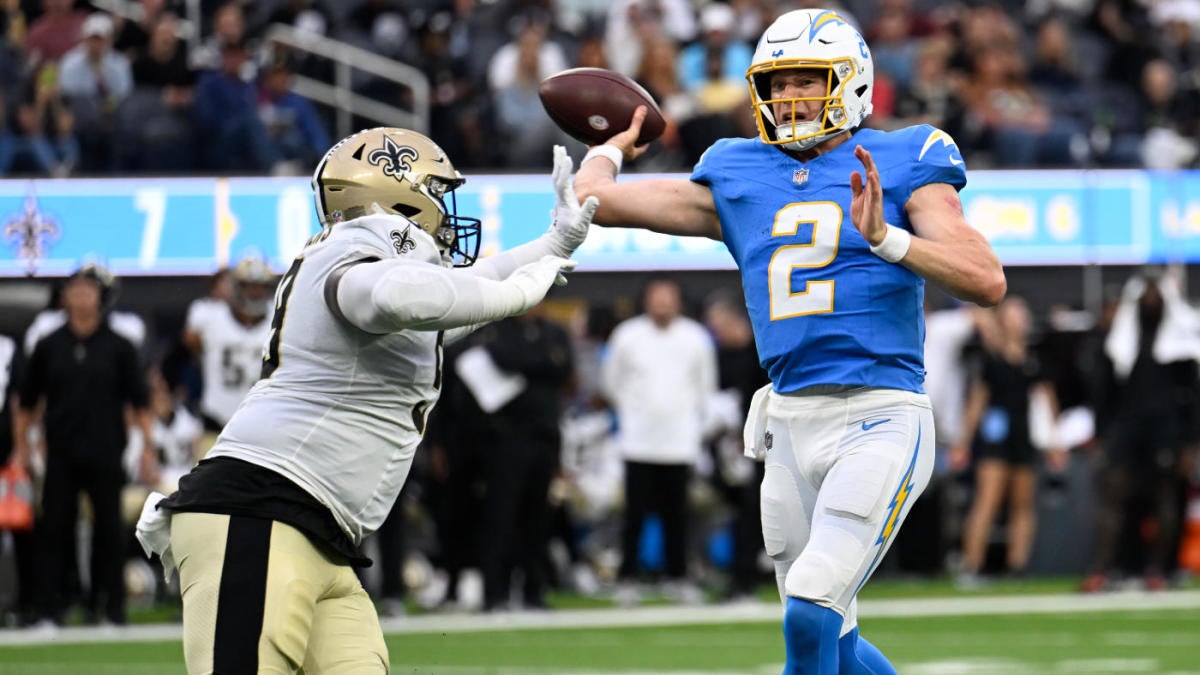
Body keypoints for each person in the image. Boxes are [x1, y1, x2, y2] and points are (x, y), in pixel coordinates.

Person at [572, 9, 1005, 673]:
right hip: (789, 422)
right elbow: (595, 196)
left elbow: (985, 278)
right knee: (834, 639)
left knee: (809, 604)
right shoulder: (736, 171)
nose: (790, 97)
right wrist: (610, 143)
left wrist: (889, 238)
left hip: (881, 413)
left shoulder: (903, 155)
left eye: (808, 80)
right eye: (778, 84)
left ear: (852, 82)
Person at [134, 128, 596, 673]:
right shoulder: (357, 247)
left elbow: (464, 286)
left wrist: (556, 242)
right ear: (399, 194)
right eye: (437, 194)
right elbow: (392, 295)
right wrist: (521, 292)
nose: (447, 215)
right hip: (259, 510)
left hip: (320, 533)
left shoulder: (367, 258)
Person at [15, 263, 157, 627]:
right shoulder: (49, 345)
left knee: (108, 531)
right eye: (75, 291)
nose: (81, 298)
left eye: (88, 291)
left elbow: (140, 403)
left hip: (107, 449)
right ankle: (50, 610)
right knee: (54, 530)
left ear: (100, 297)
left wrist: (146, 449)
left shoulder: (119, 346)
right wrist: (24, 447)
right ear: (65, 298)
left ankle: (110, 609)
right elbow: (27, 402)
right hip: (60, 451)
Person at [603, 278, 717, 605]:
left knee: (677, 515)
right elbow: (612, 383)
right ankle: (627, 579)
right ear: (647, 301)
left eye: (669, 299)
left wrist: (691, 422)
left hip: (679, 442)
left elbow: (705, 387)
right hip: (637, 440)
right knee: (634, 515)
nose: (663, 305)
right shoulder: (627, 335)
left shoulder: (695, 337)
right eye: (657, 299)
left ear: (677, 301)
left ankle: (678, 577)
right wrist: (634, 411)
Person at [950, 296, 1066, 587]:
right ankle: (972, 565)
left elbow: (1046, 400)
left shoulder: (1034, 359)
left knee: (1023, 504)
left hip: (1023, 436)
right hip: (995, 438)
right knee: (987, 500)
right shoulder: (992, 359)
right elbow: (978, 401)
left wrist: (1055, 440)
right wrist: (963, 441)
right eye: (1015, 314)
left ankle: (1018, 565)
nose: (1021, 320)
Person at [182, 254, 275, 433]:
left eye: (260, 286)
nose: (255, 293)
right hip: (216, 420)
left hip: (263, 423)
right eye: (249, 286)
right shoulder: (211, 316)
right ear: (237, 288)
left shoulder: (278, 318)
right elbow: (189, 341)